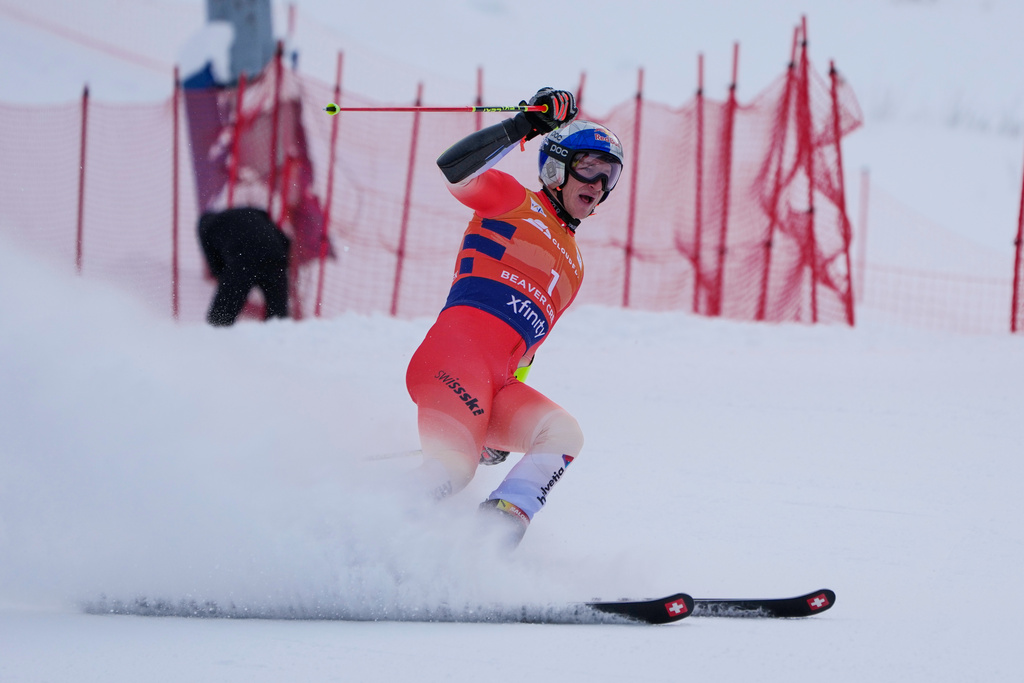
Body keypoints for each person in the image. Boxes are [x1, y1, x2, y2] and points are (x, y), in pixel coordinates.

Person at [404, 87, 625, 548]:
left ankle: (492, 539)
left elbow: (525, 353)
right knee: (453, 469)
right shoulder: (512, 199)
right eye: (587, 168)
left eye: (609, 176)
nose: (597, 185)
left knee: (562, 435)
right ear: (555, 167)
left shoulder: (576, 265)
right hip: (454, 356)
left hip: (499, 381)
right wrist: (524, 125)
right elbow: (454, 169)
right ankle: (352, 533)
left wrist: (494, 426)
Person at [197, 207, 291, 326]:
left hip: (243, 259)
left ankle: (214, 341)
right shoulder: (254, 213)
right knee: (278, 316)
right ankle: (278, 340)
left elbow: (216, 267)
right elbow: (284, 241)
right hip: (275, 256)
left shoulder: (208, 228)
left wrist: (231, 286)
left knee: (220, 318)